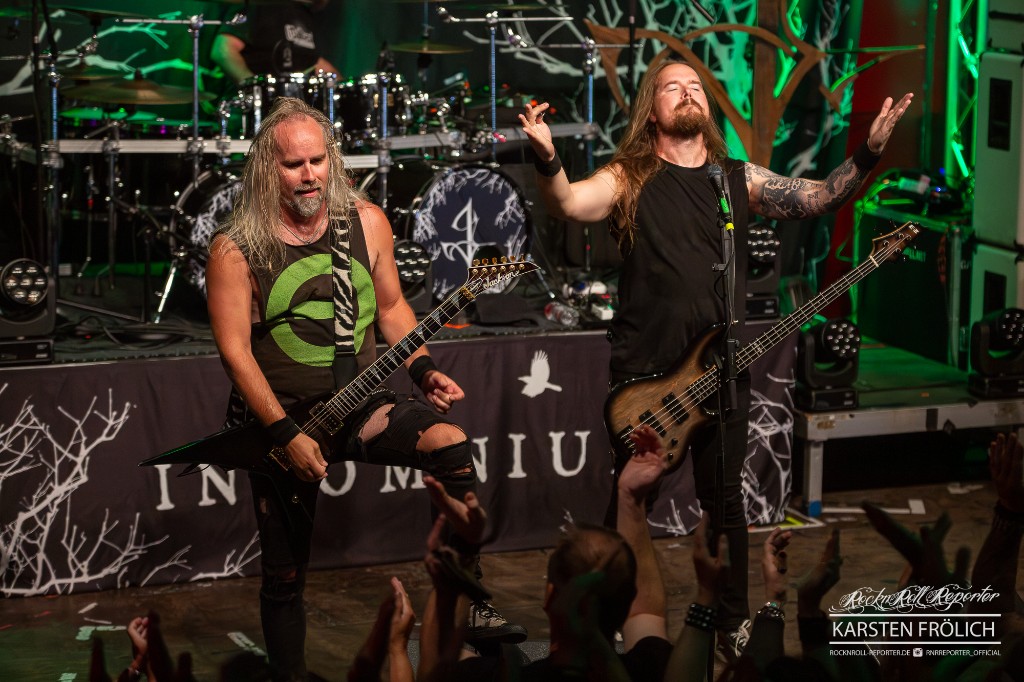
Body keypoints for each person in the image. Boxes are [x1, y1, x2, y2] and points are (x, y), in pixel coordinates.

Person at [518, 57, 913, 660]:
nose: (687, 93)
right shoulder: (630, 176)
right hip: (647, 375)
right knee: (631, 499)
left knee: (726, 506)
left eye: (695, 86)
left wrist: (868, 152)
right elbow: (569, 203)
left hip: (721, 371)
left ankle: (732, 622)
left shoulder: (734, 178)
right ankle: (600, 616)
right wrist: (548, 157)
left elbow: (817, 197)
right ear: (651, 109)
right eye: (672, 87)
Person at [205, 96, 523, 682]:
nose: (309, 175)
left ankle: (471, 598)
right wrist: (284, 434)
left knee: (450, 442)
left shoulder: (367, 221)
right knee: (284, 575)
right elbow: (234, 353)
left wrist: (423, 370)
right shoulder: (235, 246)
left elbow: (394, 308)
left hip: (361, 403)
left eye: (317, 161)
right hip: (285, 420)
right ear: (267, 169)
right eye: (293, 164)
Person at [210, 0, 340, 84]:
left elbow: (313, 62)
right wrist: (255, 87)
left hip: (294, 104)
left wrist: (343, 87)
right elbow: (223, 50)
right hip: (254, 106)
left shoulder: (305, 14)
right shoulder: (260, 5)